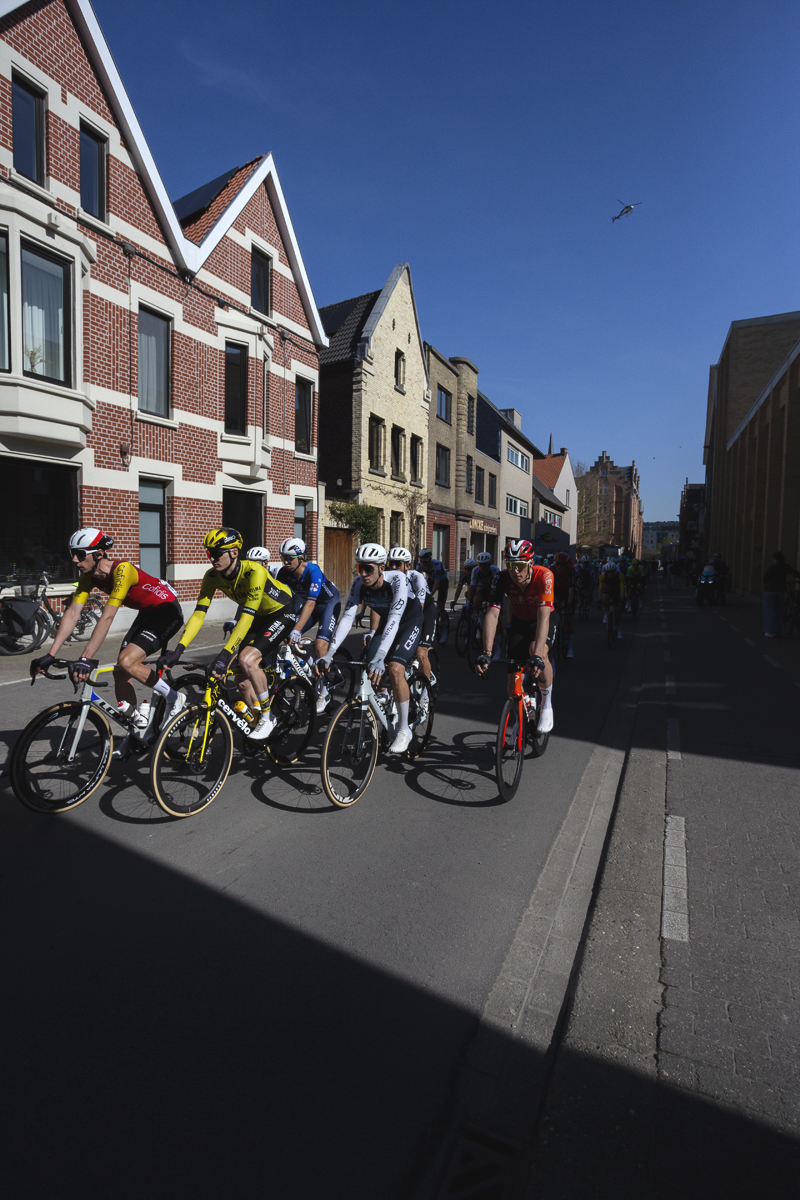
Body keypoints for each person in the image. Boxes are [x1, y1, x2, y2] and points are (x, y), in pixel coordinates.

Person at [33, 528, 186, 754]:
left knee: (127, 661)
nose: (74, 559)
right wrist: (50, 654)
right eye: (72, 553)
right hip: (146, 613)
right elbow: (73, 612)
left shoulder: (122, 570)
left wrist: (86, 658)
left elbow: (107, 616)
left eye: (80, 553)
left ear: (99, 554)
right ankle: (137, 733)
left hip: (167, 612)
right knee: (120, 672)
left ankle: (175, 697)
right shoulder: (87, 576)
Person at [161, 528, 294, 739]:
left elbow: (247, 617)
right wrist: (179, 649)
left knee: (247, 660)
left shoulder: (255, 572)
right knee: (241, 680)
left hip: (281, 611)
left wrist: (224, 655)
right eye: (209, 553)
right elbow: (198, 615)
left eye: (216, 553)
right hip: (257, 616)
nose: (212, 558)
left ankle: (269, 718)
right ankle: (257, 718)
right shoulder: (212, 576)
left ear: (234, 552)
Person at [319, 543, 422, 754]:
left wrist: (382, 656)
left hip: (409, 621)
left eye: (369, 569)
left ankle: (404, 730)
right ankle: (384, 701)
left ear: (382, 568)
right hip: (388, 624)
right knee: (370, 664)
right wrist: (330, 652)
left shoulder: (398, 580)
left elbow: (395, 618)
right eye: (360, 568)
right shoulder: (359, 584)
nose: (364, 574)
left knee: (394, 668)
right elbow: (347, 618)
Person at [475, 539, 555, 732]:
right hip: (519, 622)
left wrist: (536, 655)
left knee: (538, 653)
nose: (515, 571)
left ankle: (546, 704)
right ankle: (519, 722)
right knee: (512, 681)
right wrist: (486, 652)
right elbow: (493, 613)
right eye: (510, 565)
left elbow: (544, 616)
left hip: (542, 620)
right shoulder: (501, 578)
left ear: (530, 563)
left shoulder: (544, 575)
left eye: (519, 565)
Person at [274, 537, 341, 712]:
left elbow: (311, 603)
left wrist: (297, 629)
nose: (286, 562)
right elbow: (280, 602)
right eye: (283, 557)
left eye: (290, 558)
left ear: (301, 557)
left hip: (328, 604)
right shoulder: (283, 573)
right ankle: (313, 665)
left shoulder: (313, 571)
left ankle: (324, 694)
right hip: (307, 606)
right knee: (287, 638)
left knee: (320, 645)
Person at [385, 546, 435, 683]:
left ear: (407, 566)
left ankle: (425, 693)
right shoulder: (388, 579)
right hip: (407, 613)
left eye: (397, 564)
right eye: (390, 564)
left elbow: (420, 607)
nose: (393, 567)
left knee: (421, 652)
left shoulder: (417, 577)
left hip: (425, 612)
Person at [763, 551, 800, 638]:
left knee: (769, 611)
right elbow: (796, 574)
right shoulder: (786, 567)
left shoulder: (772, 567)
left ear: (774, 559)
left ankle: (770, 631)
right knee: (778, 611)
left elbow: (765, 579)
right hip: (780, 591)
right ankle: (779, 631)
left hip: (769, 591)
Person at [417, 548, 449, 643]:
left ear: (430, 559)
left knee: (440, 607)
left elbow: (437, 582)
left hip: (442, 582)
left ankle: (444, 629)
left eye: (425, 561)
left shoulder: (436, 564)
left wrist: (430, 595)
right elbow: (416, 580)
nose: (424, 564)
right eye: (422, 561)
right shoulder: (419, 565)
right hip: (430, 580)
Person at [551, 551, 575, 657]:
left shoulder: (571, 571)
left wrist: (569, 604)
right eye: (558, 564)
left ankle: (570, 648)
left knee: (568, 619)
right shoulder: (551, 570)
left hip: (567, 593)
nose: (560, 567)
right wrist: (553, 599)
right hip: (555, 592)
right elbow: (548, 586)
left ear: (567, 564)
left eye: (563, 564)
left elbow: (571, 589)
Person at [599, 559, 624, 638]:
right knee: (604, 598)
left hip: (617, 591)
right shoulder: (603, 576)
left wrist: (621, 600)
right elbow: (600, 589)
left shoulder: (620, 576)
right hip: (608, 591)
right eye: (608, 572)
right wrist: (600, 600)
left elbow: (622, 589)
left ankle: (619, 629)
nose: (610, 574)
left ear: (615, 571)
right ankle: (606, 614)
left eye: (612, 571)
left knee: (618, 611)